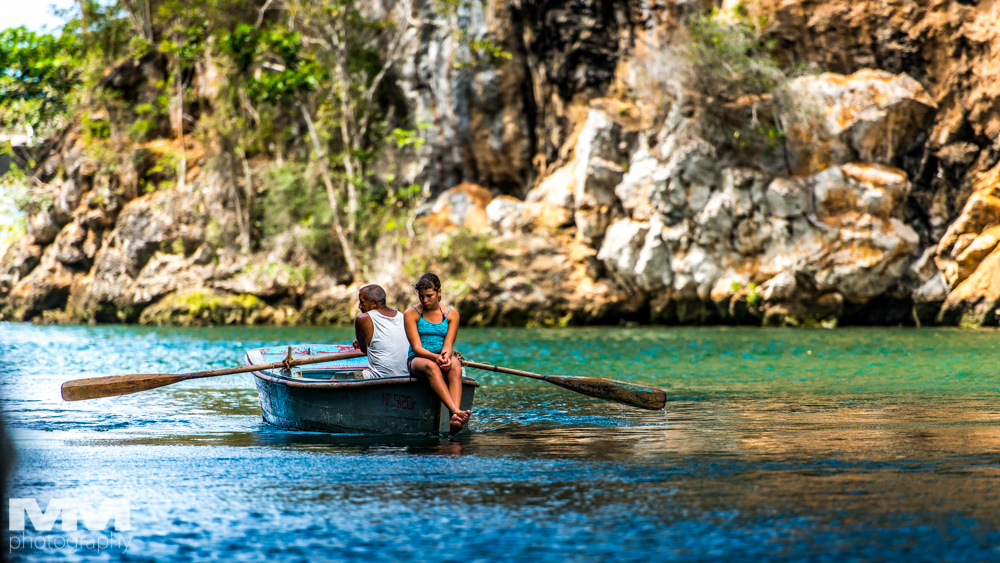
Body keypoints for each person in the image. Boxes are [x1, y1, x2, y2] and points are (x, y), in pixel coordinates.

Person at [404, 273, 470, 435]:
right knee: (432, 367)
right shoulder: (411, 314)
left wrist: (446, 357)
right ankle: (455, 411)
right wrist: (436, 358)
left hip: (441, 357)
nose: (425, 300)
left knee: (455, 365)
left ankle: (454, 422)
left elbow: (448, 344)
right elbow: (417, 347)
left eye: (429, 296)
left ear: (439, 292)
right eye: (421, 297)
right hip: (418, 360)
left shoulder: (451, 315)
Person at [352, 284, 409, 379]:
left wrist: (362, 341)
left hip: (379, 377)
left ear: (375, 303)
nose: (359, 306)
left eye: (362, 302)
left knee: (337, 378)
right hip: (407, 375)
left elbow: (364, 350)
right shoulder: (402, 316)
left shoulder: (362, 319)